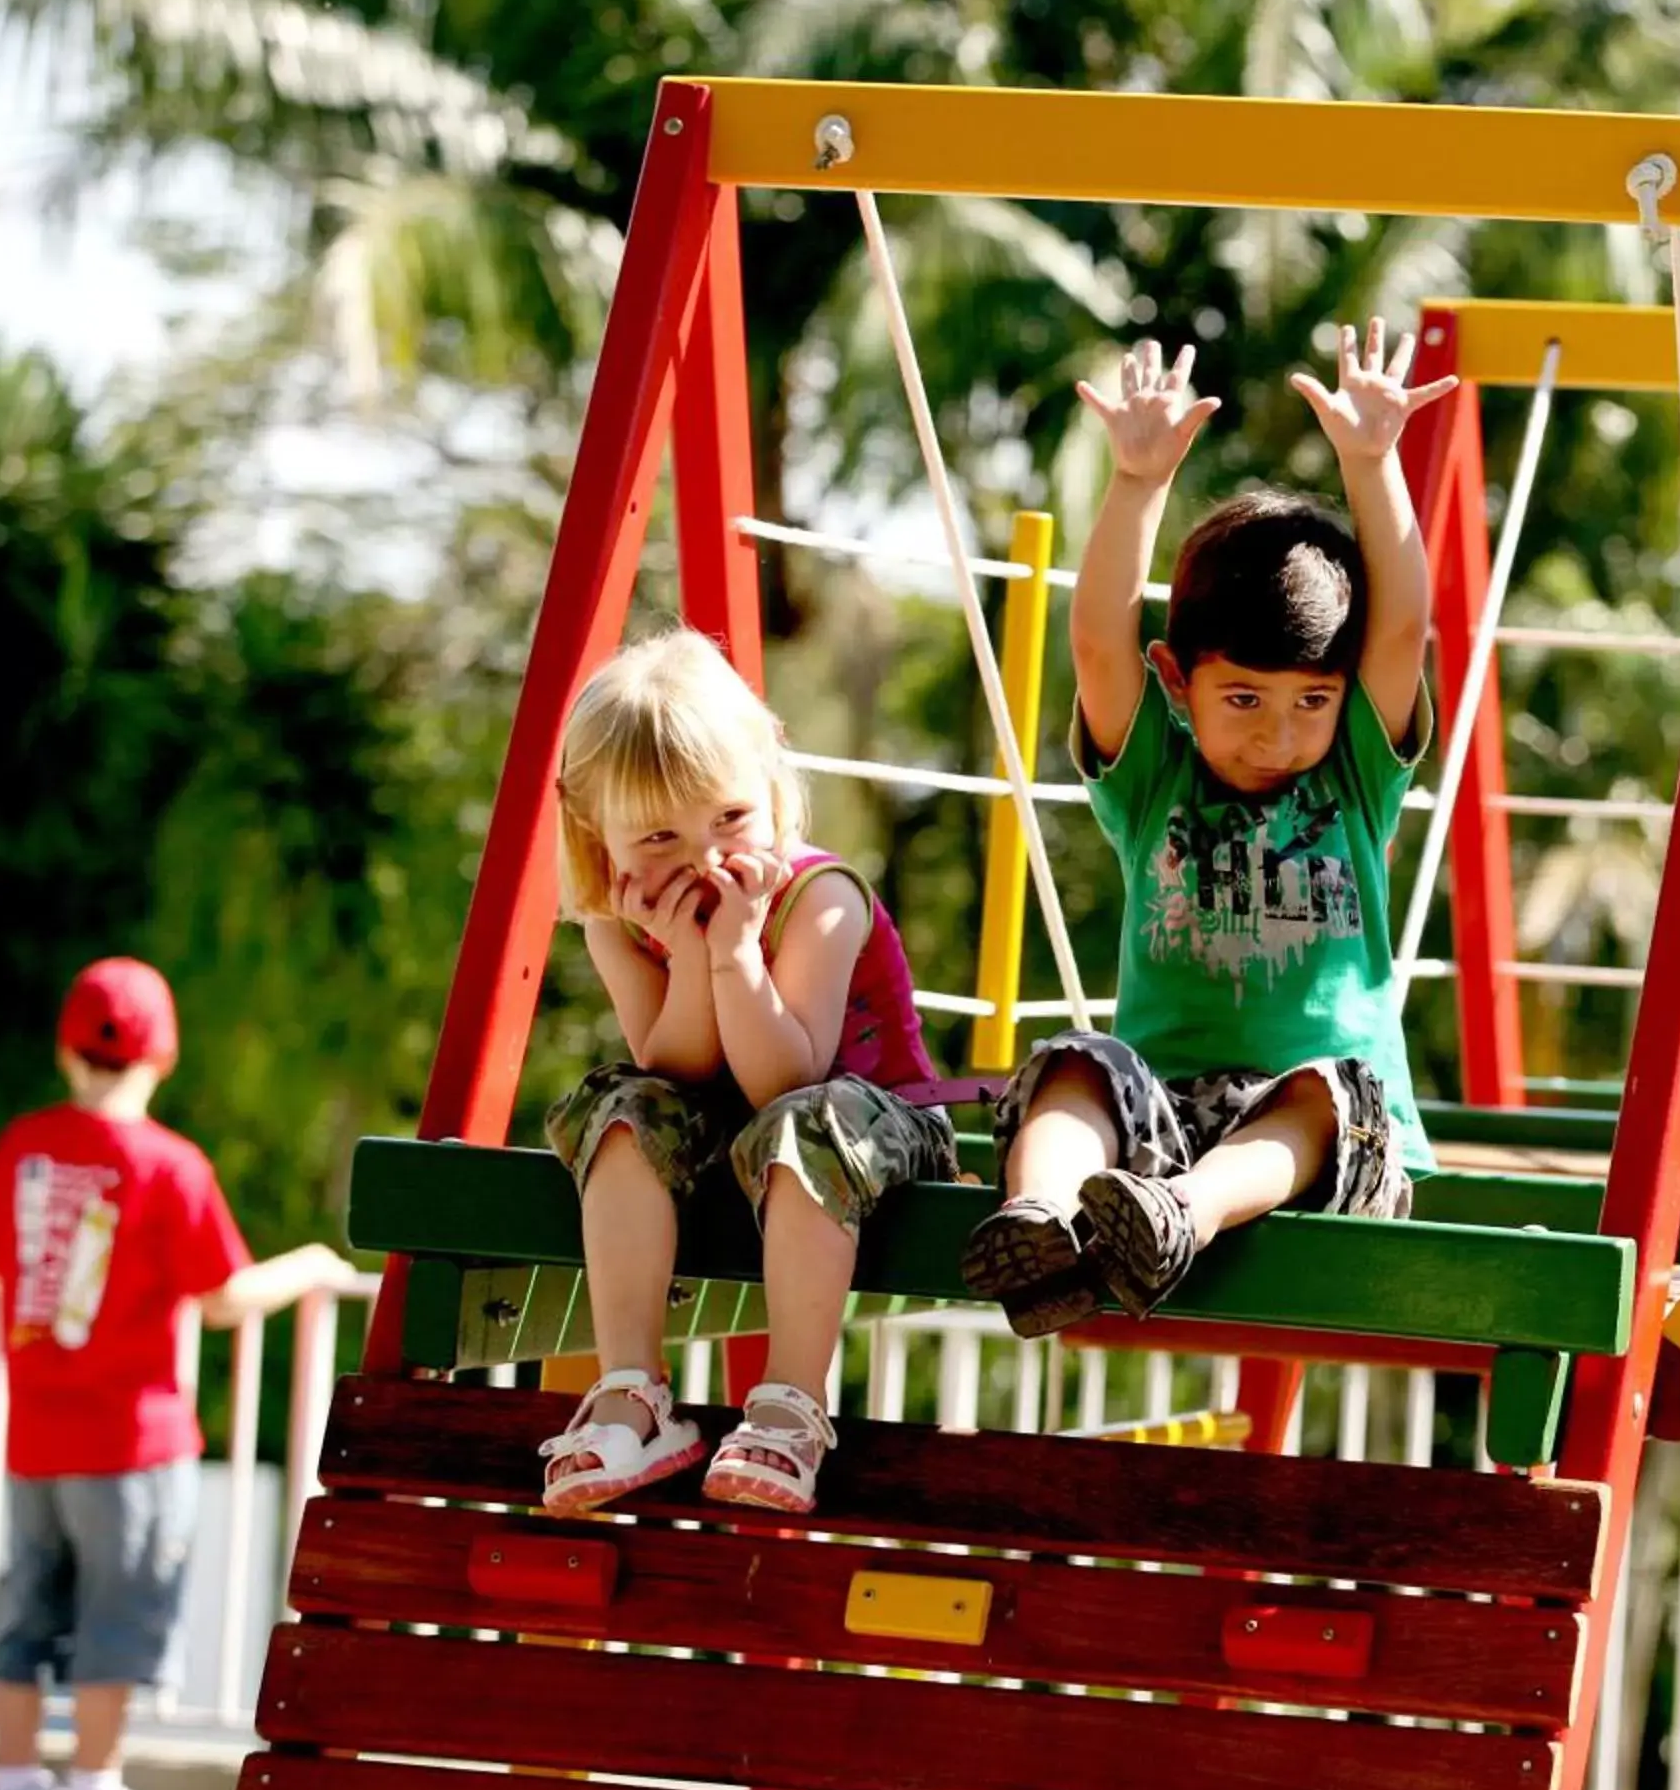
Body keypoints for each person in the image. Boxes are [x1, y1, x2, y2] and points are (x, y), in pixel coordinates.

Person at [963, 322, 1453, 1338]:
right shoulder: (1156, 779)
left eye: (1312, 700)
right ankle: (1044, 1218)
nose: (1280, 733)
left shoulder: (1357, 776)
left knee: (1327, 1093)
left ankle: (1185, 1213)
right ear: (1179, 682)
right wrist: (1137, 485)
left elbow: (1401, 627)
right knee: (1076, 1064)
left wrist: (1372, 462)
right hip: (1162, 1122)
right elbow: (1097, 638)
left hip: (1314, 1143)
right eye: (1243, 700)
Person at [534, 629, 960, 1518]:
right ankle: (634, 1390)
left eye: (728, 819)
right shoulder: (618, 917)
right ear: (596, 832)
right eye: (659, 834)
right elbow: (672, 1070)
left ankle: (793, 1405)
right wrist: (694, 959)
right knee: (620, 1106)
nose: (703, 859)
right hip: (745, 1130)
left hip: (873, 1124)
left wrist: (735, 954)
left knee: (802, 1124)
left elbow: (785, 1080)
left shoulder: (822, 899)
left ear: (769, 787)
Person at [0, 957, 355, 1790]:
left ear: (66, 1050)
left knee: (26, 1614)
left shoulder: (25, 1147)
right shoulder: (171, 1167)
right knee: (120, 1618)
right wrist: (313, 1269)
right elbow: (220, 1294)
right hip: (133, 1443)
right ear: (163, 1057)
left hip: (34, 1434)